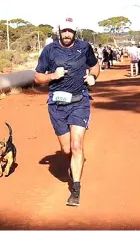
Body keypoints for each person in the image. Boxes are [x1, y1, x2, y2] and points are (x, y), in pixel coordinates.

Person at [34, 17, 100, 206]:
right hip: (57, 105)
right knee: (66, 149)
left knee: (76, 145)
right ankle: (74, 164)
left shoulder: (84, 47)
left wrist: (93, 76)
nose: (67, 34)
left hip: (80, 101)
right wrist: (54, 75)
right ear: (59, 31)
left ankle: (76, 189)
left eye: (70, 31)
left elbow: (95, 66)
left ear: (75, 32)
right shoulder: (50, 50)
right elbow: (37, 77)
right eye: (64, 31)